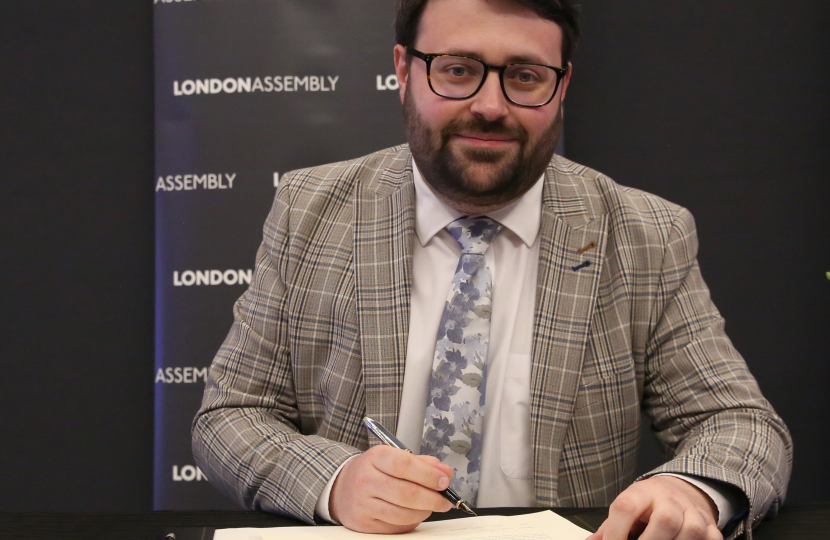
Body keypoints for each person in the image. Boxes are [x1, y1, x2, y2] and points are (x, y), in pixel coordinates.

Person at [192, 1, 792, 538]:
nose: (489, 106)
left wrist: (689, 490)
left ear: (562, 86)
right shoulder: (311, 209)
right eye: (457, 69)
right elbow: (231, 415)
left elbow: (737, 422)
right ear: (404, 71)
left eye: (525, 76)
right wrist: (336, 480)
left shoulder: (644, 233)